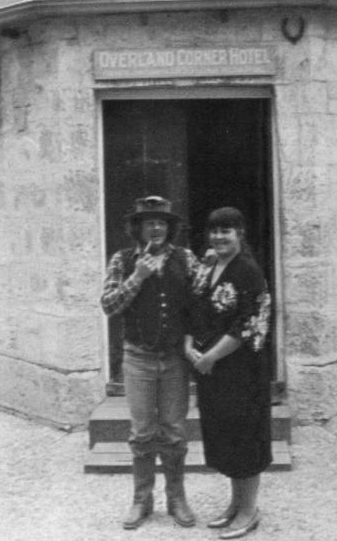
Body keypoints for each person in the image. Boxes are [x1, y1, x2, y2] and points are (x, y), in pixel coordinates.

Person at [101, 195, 200, 530]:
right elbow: (109, 306)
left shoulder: (186, 258)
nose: (155, 228)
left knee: (173, 431)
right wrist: (138, 277)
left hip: (174, 359)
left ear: (169, 227)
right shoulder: (122, 259)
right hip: (138, 358)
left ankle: (177, 498)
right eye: (149, 223)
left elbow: (201, 301)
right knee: (142, 433)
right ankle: (141, 500)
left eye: (161, 222)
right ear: (138, 228)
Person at [185, 207, 272, 540]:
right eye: (215, 230)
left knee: (245, 435)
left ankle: (249, 510)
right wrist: (189, 346)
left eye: (227, 231)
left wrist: (210, 356)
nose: (219, 237)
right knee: (226, 436)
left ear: (240, 234)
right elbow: (193, 308)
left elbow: (249, 325)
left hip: (242, 371)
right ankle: (235, 504)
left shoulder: (248, 271)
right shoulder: (207, 266)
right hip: (211, 369)